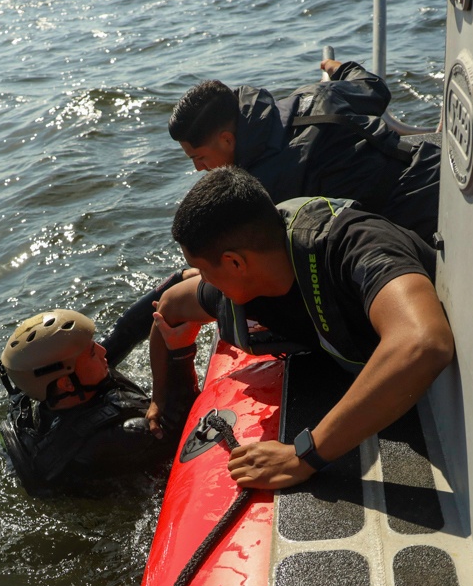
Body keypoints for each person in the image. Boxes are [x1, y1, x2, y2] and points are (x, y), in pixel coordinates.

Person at [146, 166, 454, 490]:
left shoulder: (355, 246)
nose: (203, 281)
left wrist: (302, 457)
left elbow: (424, 343)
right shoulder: (244, 283)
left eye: (202, 271)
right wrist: (163, 400)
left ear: (236, 263)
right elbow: (169, 308)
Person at [168, 60, 441, 245]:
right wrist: (341, 69)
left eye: (199, 158)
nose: (198, 169)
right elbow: (375, 89)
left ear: (227, 140)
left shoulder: (261, 189)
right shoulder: (308, 97)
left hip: (419, 218)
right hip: (435, 161)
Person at [0, 306, 199, 494]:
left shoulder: (62, 389)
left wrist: (174, 289)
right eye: (93, 352)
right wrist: (181, 351)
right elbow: (180, 429)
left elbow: (125, 331)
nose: (103, 352)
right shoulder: (109, 440)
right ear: (66, 383)